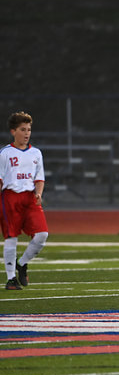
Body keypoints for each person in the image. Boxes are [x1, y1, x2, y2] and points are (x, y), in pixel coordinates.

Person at [0, 112, 49, 290]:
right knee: (11, 237)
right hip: (10, 198)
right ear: (13, 131)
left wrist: (39, 193)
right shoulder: (5, 153)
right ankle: (11, 279)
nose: (27, 133)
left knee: (42, 234)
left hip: (29, 198)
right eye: (23, 129)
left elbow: (40, 178)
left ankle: (22, 263)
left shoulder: (36, 153)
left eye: (29, 129)